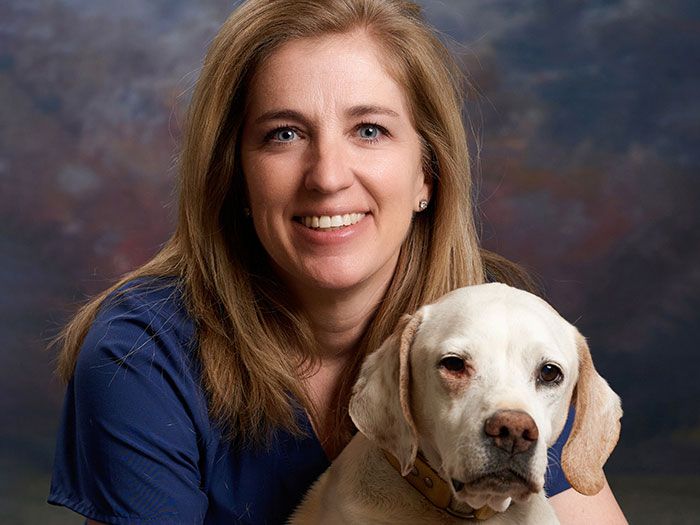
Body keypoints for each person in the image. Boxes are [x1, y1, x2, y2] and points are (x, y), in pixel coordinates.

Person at [48, 0, 627, 523]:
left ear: (428, 173)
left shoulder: (495, 324)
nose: (327, 176)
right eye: (284, 134)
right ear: (235, 178)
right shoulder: (142, 353)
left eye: (369, 130)